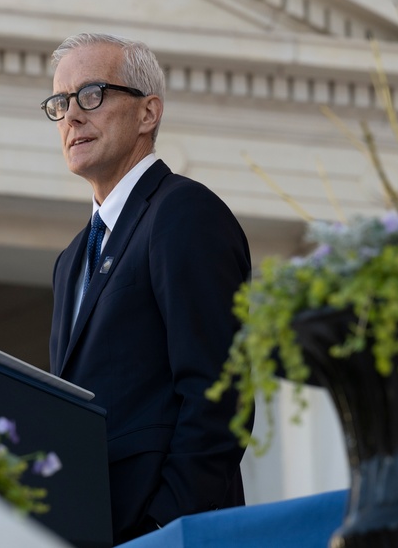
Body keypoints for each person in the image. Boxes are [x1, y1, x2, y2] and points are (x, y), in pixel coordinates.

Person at [44, 33, 252, 544]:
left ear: (147, 113)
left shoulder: (182, 212)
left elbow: (219, 391)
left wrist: (165, 525)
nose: (72, 116)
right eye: (59, 103)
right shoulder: (71, 260)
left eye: (92, 94)